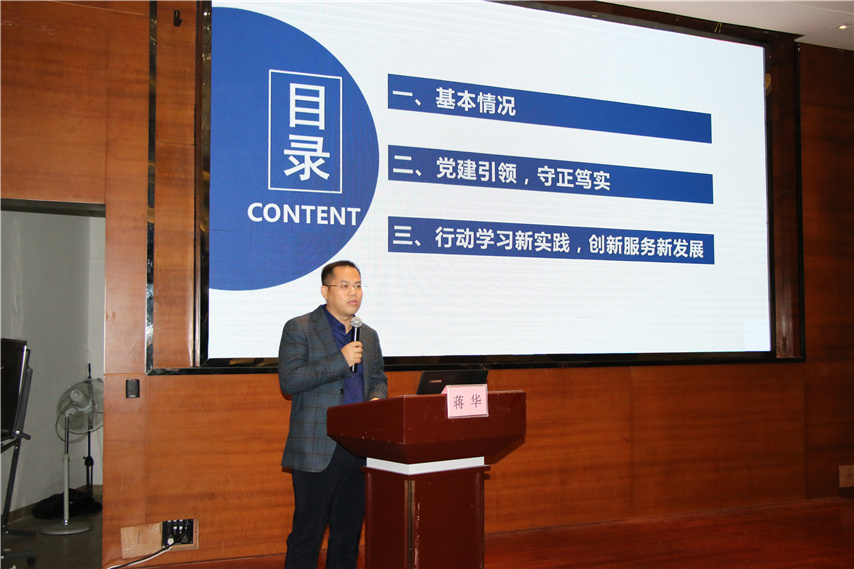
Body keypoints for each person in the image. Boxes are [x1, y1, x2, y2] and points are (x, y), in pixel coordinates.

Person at [278, 260, 388, 569]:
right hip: (317, 447)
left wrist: (377, 399)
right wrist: (340, 360)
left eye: (358, 286)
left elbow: (378, 378)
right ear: (325, 291)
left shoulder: (368, 335)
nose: (354, 293)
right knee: (307, 534)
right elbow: (290, 380)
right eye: (345, 286)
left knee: (347, 536)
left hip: (358, 447)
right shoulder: (299, 328)